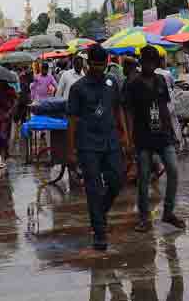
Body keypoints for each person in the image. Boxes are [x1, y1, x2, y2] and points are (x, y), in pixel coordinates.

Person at [67, 45, 127, 251]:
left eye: (102, 66)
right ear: (88, 64)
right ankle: (100, 233)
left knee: (118, 180)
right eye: (95, 65)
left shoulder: (112, 84)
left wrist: (125, 134)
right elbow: (72, 120)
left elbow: (118, 109)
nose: (98, 70)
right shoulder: (78, 89)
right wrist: (71, 150)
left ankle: (100, 212)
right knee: (93, 188)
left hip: (111, 141)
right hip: (88, 144)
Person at [125, 46, 185, 232]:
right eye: (146, 62)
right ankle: (144, 217)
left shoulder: (160, 80)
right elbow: (128, 112)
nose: (149, 66)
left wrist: (173, 133)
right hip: (143, 137)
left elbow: (165, 107)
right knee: (143, 178)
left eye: (152, 62)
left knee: (173, 170)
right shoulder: (134, 84)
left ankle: (168, 212)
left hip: (163, 135)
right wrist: (129, 139)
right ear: (141, 63)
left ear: (156, 63)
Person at [0, 78, 18, 169]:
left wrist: (10, 112)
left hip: (6, 117)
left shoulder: (10, 90)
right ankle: (2, 156)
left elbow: (15, 102)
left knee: (3, 137)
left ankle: (2, 158)